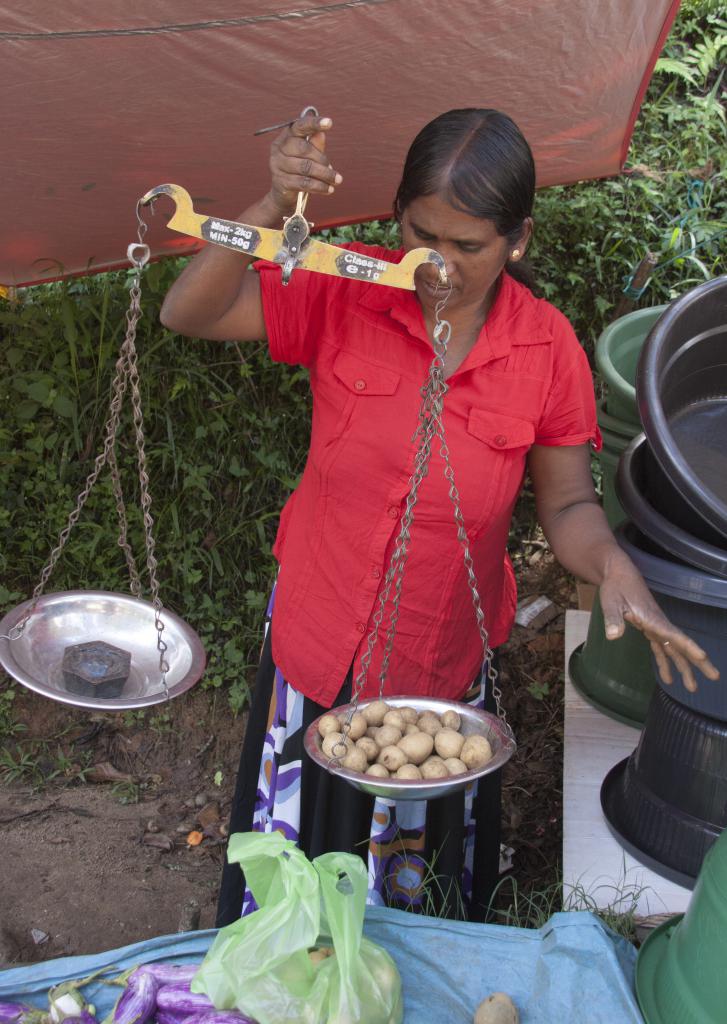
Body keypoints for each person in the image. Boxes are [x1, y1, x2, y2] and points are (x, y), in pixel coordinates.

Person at [159, 108, 718, 925]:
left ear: (517, 240)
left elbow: (565, 503)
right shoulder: (347, 286)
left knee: (403, 891)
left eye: (470, 247)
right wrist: (271, 206)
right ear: (397, 218)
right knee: (295, 873)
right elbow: (191, 312)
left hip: (434, 654)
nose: (441, 270)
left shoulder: (546, 349)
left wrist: (613, 566)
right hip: (318, 635)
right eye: (424, 238)